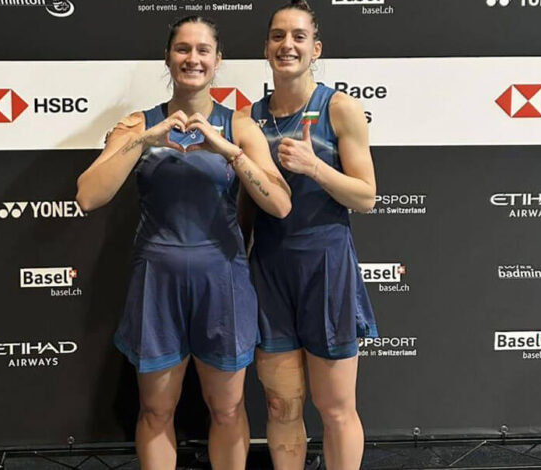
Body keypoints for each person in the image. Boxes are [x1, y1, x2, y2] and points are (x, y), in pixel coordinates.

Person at [75, 16, 292, 470]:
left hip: (223, 281)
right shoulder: (138, 123)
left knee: (228, 409)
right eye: (183, 49)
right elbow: (89, 196)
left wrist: (228, 150)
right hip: (158, 283)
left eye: (203, 50)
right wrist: (144, 140)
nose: (193, 58)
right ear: (168, 57)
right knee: (156, 410)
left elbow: (279, 204)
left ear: (217, 60)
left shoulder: (238, 125)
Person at [241, 1, 379, 469]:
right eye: (278, 36)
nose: (288, 45)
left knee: (336, 409)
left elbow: (366, 196)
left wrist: (314, 167)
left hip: (326, 269)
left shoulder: (340, 108)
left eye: (299, 37)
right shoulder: (249, 118)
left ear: (315, 48)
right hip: (270, 272)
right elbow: (244, 206)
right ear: (266, 48)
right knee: (281, 406)